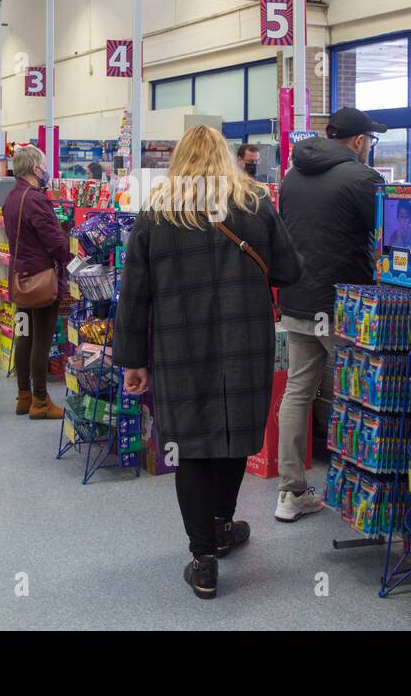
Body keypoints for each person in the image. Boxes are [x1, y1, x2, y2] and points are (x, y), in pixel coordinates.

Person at [114, 126, 302, 600]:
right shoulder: (254, 204)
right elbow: (289, 270)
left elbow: (134, 295)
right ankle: (221, 523)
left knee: (192, 446)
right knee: (234, 434)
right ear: (228, 157)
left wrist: (132, 360)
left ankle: (203, 561)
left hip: (180, 347)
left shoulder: (157, 214)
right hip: (245, 343)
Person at [275, 106, 386, 522]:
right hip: (345, 306)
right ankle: (357, 492)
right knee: (357, 396)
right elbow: (391, 237)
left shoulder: (291, 176)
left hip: (297, 297)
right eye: (369, 140)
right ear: (358, 141)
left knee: (298, 390)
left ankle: (291, 492)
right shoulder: (362, 178)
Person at [2, 144, 69, 419]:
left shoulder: (10, 198)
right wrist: (70, 252)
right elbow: (56, 244)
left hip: (20, 281)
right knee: (42, 341)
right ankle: (41, 402)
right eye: (44, 166)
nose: (46, 171)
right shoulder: (35, 200)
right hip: (42, 282)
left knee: (24, 337)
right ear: (35, 168)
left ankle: (24, 396)